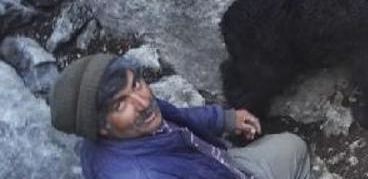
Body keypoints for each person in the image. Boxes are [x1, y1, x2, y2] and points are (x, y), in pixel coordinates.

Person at [49, 54, 311, 179]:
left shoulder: (136, 117)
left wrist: (224, 119)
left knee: (292, 146)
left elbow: (178, 117)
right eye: (120, 105)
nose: (143, 101)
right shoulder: (141, 175)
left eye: (136, 84)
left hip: (215, 163)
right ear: (101, 127)